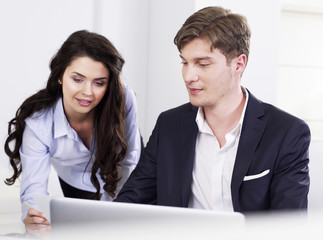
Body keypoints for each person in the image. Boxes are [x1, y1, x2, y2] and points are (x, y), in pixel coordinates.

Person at [115, 6, 310, 213]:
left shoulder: (287, 132)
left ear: (238, 64)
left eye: (203, 64)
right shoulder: (169, 125)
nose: (188, 76)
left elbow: (289, 226)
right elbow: (130, 202)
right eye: (185, 62)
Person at [4, 30, 141, 227]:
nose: (87, 92)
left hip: (121, 163)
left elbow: (129, 162)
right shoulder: (39, 124)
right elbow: (34, 191)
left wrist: (120, 208)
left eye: (99, 83)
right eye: (77, 79)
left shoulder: (123, 97)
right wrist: (34, 218)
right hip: (77, 179)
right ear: (60, 76)